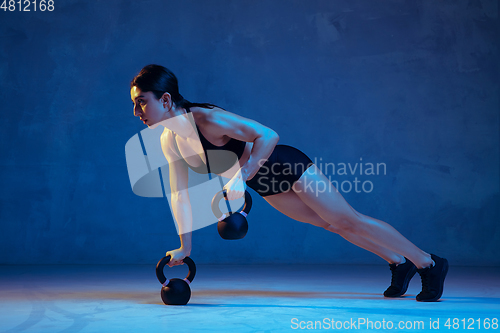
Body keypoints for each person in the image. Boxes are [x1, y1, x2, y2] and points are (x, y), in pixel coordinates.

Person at [130, 64, 449, 302]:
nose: (136, 111)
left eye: (142, 102)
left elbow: (267, 135)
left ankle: (428, 263)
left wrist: (245, 172)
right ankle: (398, 262)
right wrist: (185, 246)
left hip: (285, 164)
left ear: (166, 99)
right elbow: (178, 195)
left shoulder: (207, 120)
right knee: (333, 226)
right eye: (135, 104)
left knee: (347, 219)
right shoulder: (169, 142)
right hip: (263, 184)